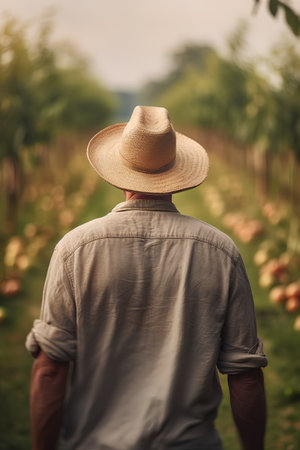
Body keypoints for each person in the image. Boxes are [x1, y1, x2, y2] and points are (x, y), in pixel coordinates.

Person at [26, 106, 267, 450]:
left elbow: (49, 370)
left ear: (118, 173)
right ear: (176, 172)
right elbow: (245, 377)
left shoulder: (74, 250)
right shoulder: (220, 251)